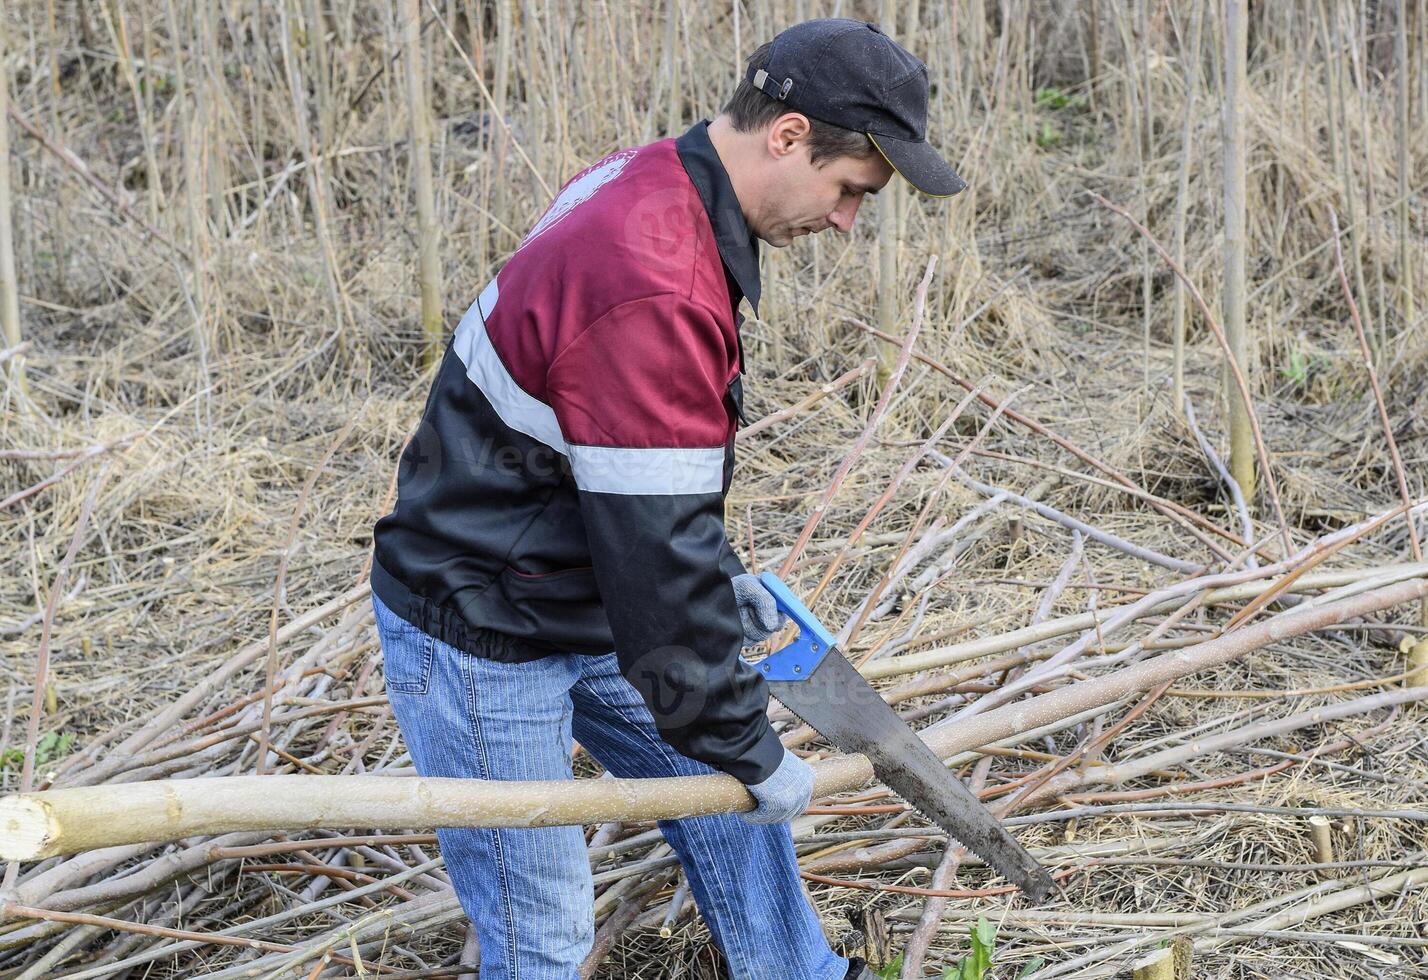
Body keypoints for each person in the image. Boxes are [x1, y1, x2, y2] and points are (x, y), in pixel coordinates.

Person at [370, 17, 965, 979]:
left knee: (731, 792)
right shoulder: (653, 280)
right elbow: (651, 547)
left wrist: (717, 587)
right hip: (478, 617)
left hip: (575, 586)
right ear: (787, 136)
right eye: (850, 189)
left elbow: (631, 483)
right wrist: (749, 738)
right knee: (542, 936)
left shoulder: (661, 178)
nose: (849, 220)